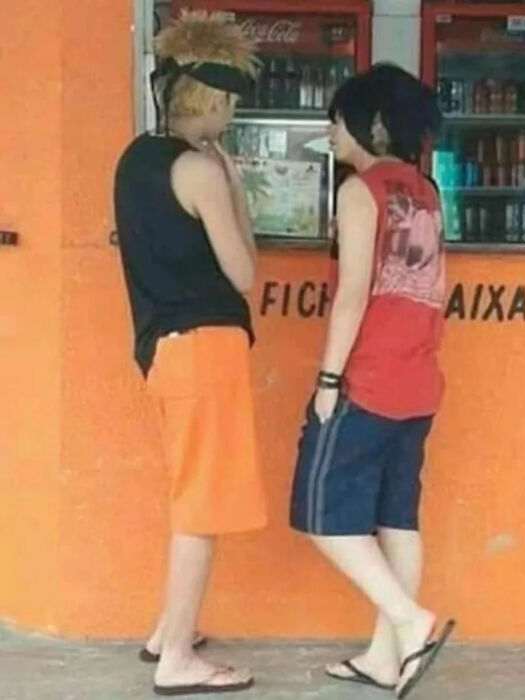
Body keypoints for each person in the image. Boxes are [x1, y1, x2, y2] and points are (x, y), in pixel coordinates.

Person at [289, 63, 455, 699]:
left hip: (369, 378)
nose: (332, 132)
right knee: (396, 516)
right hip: (419, 378)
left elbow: (353, 294)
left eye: (338, 120)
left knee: (321, 514)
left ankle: (412, 623)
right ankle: (388, 657)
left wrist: (329, 379)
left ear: (374, 124)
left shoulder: (360, 191)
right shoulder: (427, 190)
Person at [113, 11, 266, 696]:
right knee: (203, 510)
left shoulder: (135, 159)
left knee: (191, 497)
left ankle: (166, 633)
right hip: (207, 347)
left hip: (163, 348)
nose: (233, 114)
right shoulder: (201, 170)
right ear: (210, 95)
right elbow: (244, 274)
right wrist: (236, 191)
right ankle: (177, 657)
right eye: (231, 100)